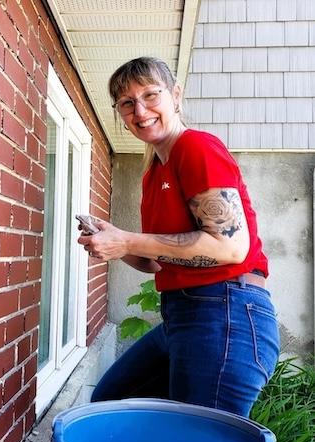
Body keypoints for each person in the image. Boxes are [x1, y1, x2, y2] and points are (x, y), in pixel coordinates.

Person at [78, 57, 280, 418]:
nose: (140, 110)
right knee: (111, 401)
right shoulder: (153, 173)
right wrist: (113, 243)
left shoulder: (196, 147)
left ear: (175, 96)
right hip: (183, 314)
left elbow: (230, 247)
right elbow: (157, 261)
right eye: (127, 103)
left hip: (226, 311)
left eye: (150, 95)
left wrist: (127, 240)